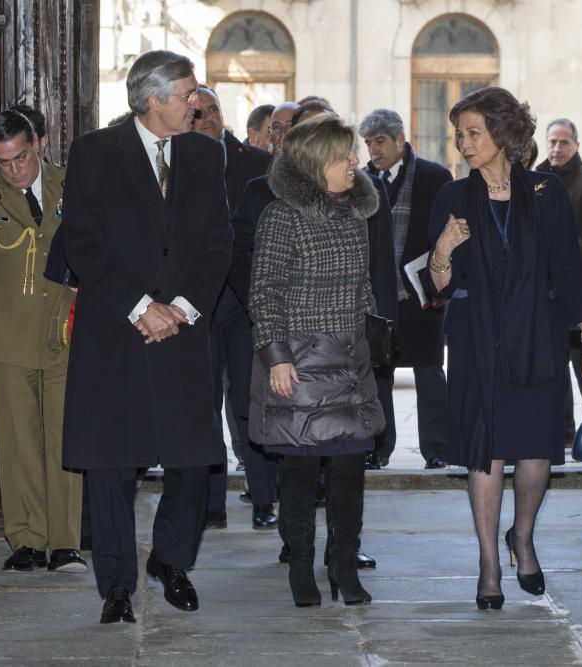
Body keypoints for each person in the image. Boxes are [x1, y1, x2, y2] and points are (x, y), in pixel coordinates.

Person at [60, 50, 233, 624]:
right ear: (152, 99)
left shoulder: (208, 154)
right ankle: (116, 584)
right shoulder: (93, 153)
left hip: (181, 332)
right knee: (111, 465)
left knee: (191, 460)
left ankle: (172, 560)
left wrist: (180, 308)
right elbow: (83, 244)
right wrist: (141, 307)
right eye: (187, 93)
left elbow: (218, 243)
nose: (197, 102)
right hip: (115, 330)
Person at [428, 87, 582, 609]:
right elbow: (436, 285)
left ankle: (521, 536)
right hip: (477, 341)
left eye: (473, 132)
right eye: (459, 134)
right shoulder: (452, 197)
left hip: (539, 339)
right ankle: (488, 564)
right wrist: (442, 250)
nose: (463, 143)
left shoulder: (546, 192)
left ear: (502, 134)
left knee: (536, 455)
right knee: (486, 451)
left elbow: (568, 271)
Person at [248, 114, 386, 608]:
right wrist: (277, 357)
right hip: (300, 364)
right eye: (343, 155)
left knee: (351, 474)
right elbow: (264, 293)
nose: (355, 162)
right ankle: (302, 570)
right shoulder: (281, 217)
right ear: (313, 164)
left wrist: (375, 330)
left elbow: (362, 286)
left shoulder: (356, 216)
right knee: (302, 475)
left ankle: (344, 569)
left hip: (350, 361)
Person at [0, 108, 86, 573]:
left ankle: (66, 541)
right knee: (17, 441)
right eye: (3, 160)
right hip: (4, 335)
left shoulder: (73, 185)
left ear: (41, 144)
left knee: (66, 437)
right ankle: (27, 539)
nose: (13, 169)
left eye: (21, 157)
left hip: (64, 330)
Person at [191, 85, 276, 532]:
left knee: (249, 399)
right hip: (196, 305)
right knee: (202, 402)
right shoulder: (174, 165)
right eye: (197, 112)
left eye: (213, 110)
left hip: (245, 302)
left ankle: (264, 497)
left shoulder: (257, 165)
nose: (207, 118)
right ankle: (210, 504)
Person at [360, 108, 453, 469]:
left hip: (422, 295)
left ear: (400, 140)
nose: (373, 150)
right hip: (379, 296)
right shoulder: (361, 181)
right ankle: (379, 448)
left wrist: (438, 279)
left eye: (380, 141)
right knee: (377, 374)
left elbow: (447, 231)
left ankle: (437, 450)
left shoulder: (433, 176)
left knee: (429, 372)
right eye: (368, 143)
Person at [535, 118, 582, 443]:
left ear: (576, 145)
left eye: (564, 142)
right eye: (552, 141)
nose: (557, 148)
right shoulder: (533, 180)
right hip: (540, 291)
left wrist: (550, 254)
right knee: (551, 363)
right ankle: (561, 430)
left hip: (578, 288)